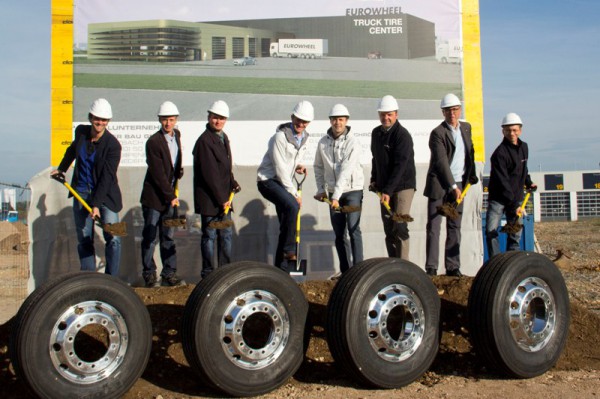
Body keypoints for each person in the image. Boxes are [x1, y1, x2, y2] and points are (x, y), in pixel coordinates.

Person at [51, 98, 123, 275]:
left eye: (104, 120)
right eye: (97, 118)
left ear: (108, 122)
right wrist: (61, 168)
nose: (100, 123)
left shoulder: (113, 145)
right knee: (84, 238)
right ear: (91, 117)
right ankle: (88, 278)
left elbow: (107, 177)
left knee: (114, 238)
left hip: (107, 198)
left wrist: (97, 205)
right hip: (81, 193)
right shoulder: (81, 132)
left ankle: (112, 280)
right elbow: (72, 150)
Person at [423, 94, 478, 277]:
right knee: (434, 226)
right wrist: (453, 186)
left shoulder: (467, 128)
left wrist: (471, 174)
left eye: (454, 109)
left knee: (455, 226)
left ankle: (453, 267)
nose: (452, 114)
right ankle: (431, 267)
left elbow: (470, 152)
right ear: (443, 112)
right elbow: (440, 162)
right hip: (440, 185)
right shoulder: (437, 133)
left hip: (460, 184)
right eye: (448, 111)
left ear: (459, 109)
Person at [257, 101, 313, 271]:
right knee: (292, 206)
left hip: (282, 183)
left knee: (286, 224)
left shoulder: (304, 139)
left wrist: (298, 165)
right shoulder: (279, 137)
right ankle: (289, 250)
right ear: (292, 117)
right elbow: (280, 168)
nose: (301, 124)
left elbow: (289, 162)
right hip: (268, 181)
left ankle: (280, 269)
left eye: (304, 121)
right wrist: (294, 193)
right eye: (298, 119)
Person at [314, 104, 364, 276]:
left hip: (352, 191)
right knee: (339, 234)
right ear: (330, 120)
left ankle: (359, 271)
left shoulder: (353, 142)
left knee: (353, 228)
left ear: (346, 121)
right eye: (334, 119)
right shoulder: (322, 143)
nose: (337, 123)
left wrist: (335, 196)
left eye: (341, 119)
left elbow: (346, 170)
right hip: (333, 194)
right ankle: (346, 272)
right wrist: (321, 189)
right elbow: (318, 167)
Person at [193, 100, 240, 279]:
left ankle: (225, 271)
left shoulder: (223, 137)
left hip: (224, 200)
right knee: (210, 236)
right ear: (209, 117)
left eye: (221, 118)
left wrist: (233, 182)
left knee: (225, 235)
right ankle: (208, 273)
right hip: (211, 201)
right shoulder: (205, 141)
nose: (218, 121)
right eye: (215, 118)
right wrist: (222, 199)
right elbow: (209, 174)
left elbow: (224, 168)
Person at [139, 101, 185, 287]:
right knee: (150, 236)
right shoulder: (153, 142)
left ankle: (169, 273)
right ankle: (149, 273)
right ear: (159, 120)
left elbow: (172, 163)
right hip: (154, 198)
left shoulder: (177, 136)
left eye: (171, 119)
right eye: (165, 120)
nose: (168, 123)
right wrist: (171, 196)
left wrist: (177, 172)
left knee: (168, 236)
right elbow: (157, 174)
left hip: (169, 196)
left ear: (176, 120)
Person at [370, 95, 416, 260]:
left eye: (389, 114)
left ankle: (403, 265)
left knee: (400, 225)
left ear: (396, 114)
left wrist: (388, 190)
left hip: (403, 186)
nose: (385, 117)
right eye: (383, 114)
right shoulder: (376, 133)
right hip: (385, 188)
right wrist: (374, 179)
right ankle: (393, 264)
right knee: (389, 227)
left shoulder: (402, 135)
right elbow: (375, 158)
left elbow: (400, 166)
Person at [486, 112, 537, 258]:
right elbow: (503, 181)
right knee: (491, 231)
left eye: (514, 130)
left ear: (520, 130)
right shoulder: (499, 154)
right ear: (503, 131)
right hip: (499, 198)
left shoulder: (524, 148)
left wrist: (528, 182)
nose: (511, 133)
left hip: (516, 197)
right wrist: (514, 203)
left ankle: (511, 263)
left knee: (515, 232)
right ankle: (495, 262)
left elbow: (523, 169)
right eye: (508, 130)